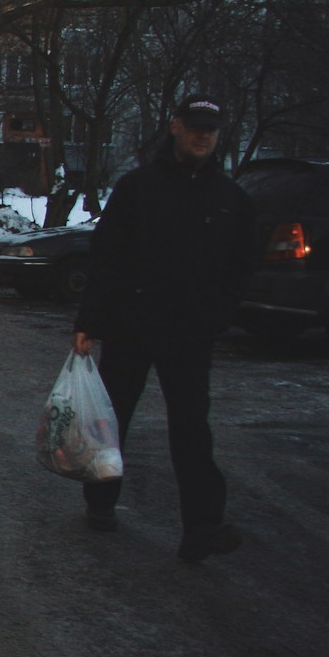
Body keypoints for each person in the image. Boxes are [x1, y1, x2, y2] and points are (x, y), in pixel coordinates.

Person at [71, 94, 255, 562]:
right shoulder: (139, 188)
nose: (202, 136)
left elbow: (240, 268)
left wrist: (218, 316)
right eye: (194, 127)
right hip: (133, 324)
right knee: (114, 420)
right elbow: (106, 258)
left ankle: (203, 527)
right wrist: (89, 322)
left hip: (190, 334)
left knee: (192, 429)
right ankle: (101, 502)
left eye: (210, 130)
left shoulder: (230, 200)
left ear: (218, 136)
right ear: (175, 127)